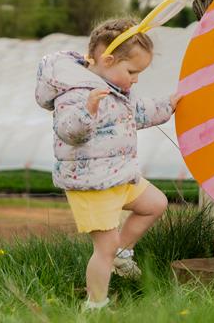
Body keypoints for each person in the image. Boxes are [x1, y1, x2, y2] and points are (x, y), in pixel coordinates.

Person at [35, 18, 180, 310]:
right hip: (91, 183)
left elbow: (139, 112)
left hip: (118, 175)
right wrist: (88, 110)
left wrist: (170, 104)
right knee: (104, 247)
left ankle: (122, 253)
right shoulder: (75, 91)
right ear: (108, 59)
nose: (136, 79)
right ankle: (95, 304)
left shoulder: (116, 90)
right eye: (132, 71)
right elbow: (68, 131)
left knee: (155, 204)